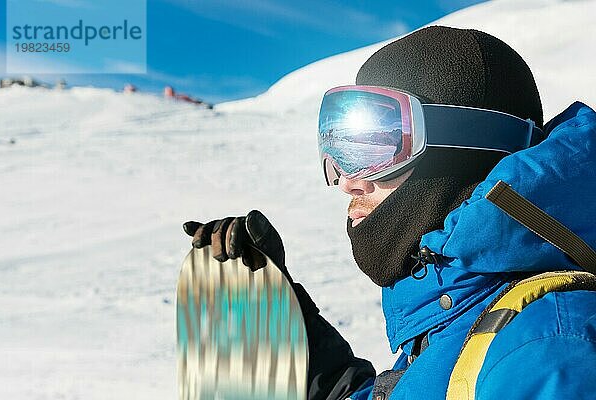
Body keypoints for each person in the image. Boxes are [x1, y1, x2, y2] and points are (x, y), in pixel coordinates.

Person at [183, 26, 596, 399]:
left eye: (373, 145)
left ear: (467, 146)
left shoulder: (546, 350)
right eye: (341, 149)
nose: (347, 181)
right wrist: (281, 334)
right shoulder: (457, 333)